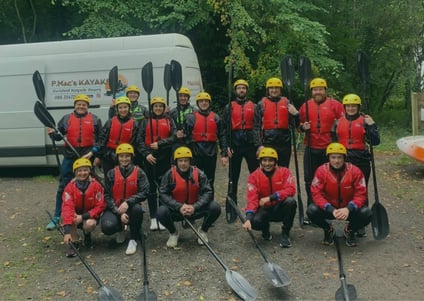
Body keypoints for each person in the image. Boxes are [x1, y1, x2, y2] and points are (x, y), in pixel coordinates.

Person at [46, 94, 102, 230]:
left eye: (84, 104)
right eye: (79, 104)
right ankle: (57, 216)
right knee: (63, 187)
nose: (81, 106)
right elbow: (58, 136)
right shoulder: (67, 119)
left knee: (91, 187)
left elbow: (101, 139)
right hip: (70, 158)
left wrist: (94, 152)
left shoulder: (95, 119)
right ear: (75, 105)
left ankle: (89, 215)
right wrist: (52, 133)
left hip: (87, 158)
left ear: (87, 106)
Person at [331, 93, 380, 237]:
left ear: (358, 107)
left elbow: (375, 141)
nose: (351, 108)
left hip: (361, 160)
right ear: (344, 107)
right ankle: (344, 216)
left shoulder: (365, 121)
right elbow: (333, 142)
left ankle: (360, 223)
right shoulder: (337, 122)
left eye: (354, 106)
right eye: (348, 106)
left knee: (361, 191)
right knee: (346, 189)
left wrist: (372, 125)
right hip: (343, 160)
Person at [306, 143, 372, 247]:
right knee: (311, 210)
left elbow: (361, 194)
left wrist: (348, 208)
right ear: (328, 158)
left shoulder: (355, 171)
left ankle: (350, 229)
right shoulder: (321, 171)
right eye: (333, 157)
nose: (336, 161)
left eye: (339, 157)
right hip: (330, 209)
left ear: (344, 158)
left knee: (367, 213)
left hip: (348, 209)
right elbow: (316, 194)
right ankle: (328, 229)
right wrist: (331, 209)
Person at [298, 77, 344, 224]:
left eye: (320, 89)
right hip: (311, 148)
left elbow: (344, 122)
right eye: (315, 89)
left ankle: (331, 209)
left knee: (331, 181)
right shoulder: (305, 106)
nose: (318, 92)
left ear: (325, 90)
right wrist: (302, 127)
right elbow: (298, 125)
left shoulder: (335, 105)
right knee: (309, 181)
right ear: (312, 91)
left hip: (329, 151)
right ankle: (312, 210)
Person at [157, 146, 221, 248]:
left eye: (186, 161)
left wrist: (195, 207)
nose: (183, 163)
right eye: (180, 161)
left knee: (215, 207)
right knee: (161, 211)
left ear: (190, 161)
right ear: (176, 162)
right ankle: (173, 232)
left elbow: (208, 192)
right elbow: (163, 194)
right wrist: (179, 206)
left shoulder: (199, 174)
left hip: (194, 208)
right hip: (177, 210)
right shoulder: (169, 174)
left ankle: (203, 230)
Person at [221, 79, 261, 223]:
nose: (241, 90)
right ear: (235, 90)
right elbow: (224, 130)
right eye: (239, 88)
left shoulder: (255, 107)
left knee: (256, 177)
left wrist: (259, 146)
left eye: (244, 88)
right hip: (235, 147)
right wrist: (225, 149)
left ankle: (258, 205)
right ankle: (232, 208)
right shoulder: (228, 107)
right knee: (233, 178)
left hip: (250, 146)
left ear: (247, 90)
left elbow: (257, 127)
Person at [100, 143, 149, 255]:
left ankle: (133, 238)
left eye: (127, 156)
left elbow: (145, 192)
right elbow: (107, 195)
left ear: (132, 157)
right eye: (121, 156)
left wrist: (128, 202)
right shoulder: (111, 173)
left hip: (132, 207)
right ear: (117, 158)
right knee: (107, 226)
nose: (124, 159)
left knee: (137, 210)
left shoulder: (139, 172)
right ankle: (119, 229)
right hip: (115, 207)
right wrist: (118, 211)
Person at [242, 147, 297, 248]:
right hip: (264, 210)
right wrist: (248, 218)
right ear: (260, 161)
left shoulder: (284, 172)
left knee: (291, 202)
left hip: (279, 208)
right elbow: (252, 199)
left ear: (275, 161)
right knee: (255, 221)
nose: (267, 164)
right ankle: (265, 230)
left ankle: (285, 234)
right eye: (264, 160)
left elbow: (291, 189)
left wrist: (271, 197)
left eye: (270, 160)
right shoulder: (254, 176)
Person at [137, 96, 176, 230]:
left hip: (164, 159)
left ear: (164, 108)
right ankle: (153, 217)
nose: (158, 108)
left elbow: (174, 137)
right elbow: (139, 140)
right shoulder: (145, 121)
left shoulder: (169, 120)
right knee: (151, 189)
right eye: (156, 106)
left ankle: (161, 215)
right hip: (150, 159)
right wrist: (146, 154)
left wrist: (159, 144)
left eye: (160, 106)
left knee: (163, 188)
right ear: (152, 108)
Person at [61, 158, 106, 257]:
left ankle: (87, 232)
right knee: (69, 216)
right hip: (76, 215)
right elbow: (67, 207)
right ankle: (74, 242)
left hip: (89, 215)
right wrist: (67, 231)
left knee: (90, 224)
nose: (82, 173)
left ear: (89, 171)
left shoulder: (96, 186)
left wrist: (84, 216)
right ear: (75, 172)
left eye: (85, 170)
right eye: (79, 171)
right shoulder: (69, 187)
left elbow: (100, 205)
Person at [184, 92, 225, 192]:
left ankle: (209, 203)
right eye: (201, 101)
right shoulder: (191, 117)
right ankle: (196, 204)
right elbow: (186, 137)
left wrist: (224, 153)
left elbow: (222, 135)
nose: (204, 103)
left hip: (211, 153)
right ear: (198, 103)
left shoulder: (216, 117)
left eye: (206, 101)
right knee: (195, 180)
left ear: (209, 103)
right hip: (196, 152)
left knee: (210, 180)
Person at [258, 77, 300, 167]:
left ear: (280, 89)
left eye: (276, 88)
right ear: (268, 90)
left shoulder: (287, 102)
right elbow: (256, 126)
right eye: (271, 88)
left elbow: (295, 124)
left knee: (284, 168)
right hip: (268, 141)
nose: (274, 90)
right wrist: (259, 144)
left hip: (284, 142)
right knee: (268, 168)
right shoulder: (261, 104)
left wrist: (296, 114)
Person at [95, 96, 139, 179]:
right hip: (108, 155)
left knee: (123, 179)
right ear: (117, 109)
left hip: (124, 156)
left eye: (125, 107)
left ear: (129, 108)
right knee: (109, 179)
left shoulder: (134, 124)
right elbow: (102, 139)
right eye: (120, 107)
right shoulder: (110, 122)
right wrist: (98, 156)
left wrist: (130, 157)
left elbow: (134, 143)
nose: (123, 110)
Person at [108, 85, 148, 168]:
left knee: (137, 166)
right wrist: (111, 108)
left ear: (138, 95)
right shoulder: (119, 108)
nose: (133, 95)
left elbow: (152, 120)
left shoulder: (143, 109)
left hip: (138, 142)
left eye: (135, 93)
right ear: (127, 95)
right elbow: (112, 120)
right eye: (130, 93)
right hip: (125, 143)